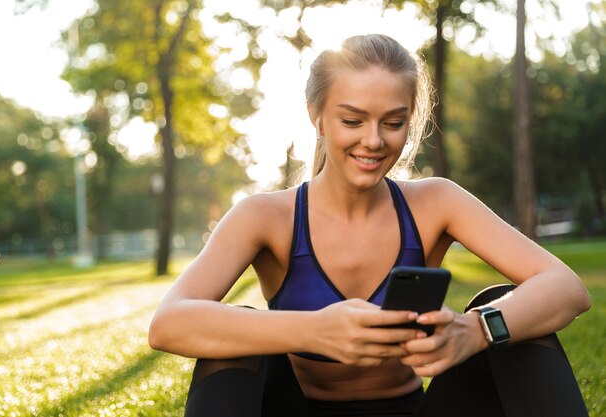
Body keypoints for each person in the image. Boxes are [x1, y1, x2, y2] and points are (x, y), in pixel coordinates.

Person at [148, 34, 591, 417]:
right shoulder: (266, 216)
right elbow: (169, 323)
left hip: (414, 408)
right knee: (233, 334)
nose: (374, 140)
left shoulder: (435, 202)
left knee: (503, 311)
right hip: (296, 407)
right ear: (316, 115)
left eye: (394, 123)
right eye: (352, 120)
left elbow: (566, 288)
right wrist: (313, 329)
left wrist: (476, 331)